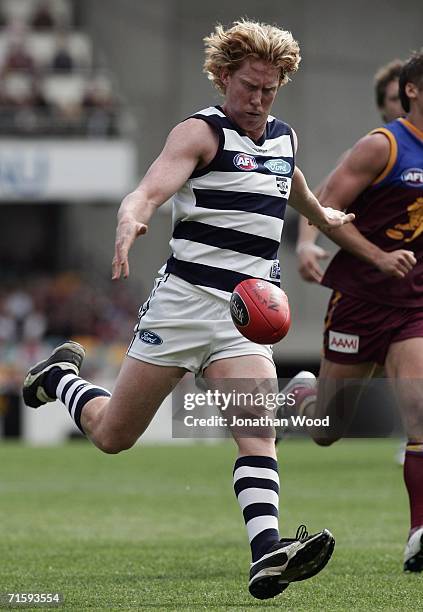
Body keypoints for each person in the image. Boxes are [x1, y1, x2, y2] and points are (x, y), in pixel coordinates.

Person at [22, 20, 353, 600]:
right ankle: (61, 378)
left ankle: (266, 552)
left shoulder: (283, 137)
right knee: (112, 436)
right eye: (249, 86)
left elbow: (289, 178)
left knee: (258, 435)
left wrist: (323, 217)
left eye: (270, 90)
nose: (258, 100)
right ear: (224, 76)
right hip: (179, 308)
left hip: (245, 316)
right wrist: (131, 216)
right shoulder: (201, 133)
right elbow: (149, 189)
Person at [286, 51, 423, 573]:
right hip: (360, 301)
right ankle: (301, 394)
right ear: (411, 90)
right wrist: (378, 256)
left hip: (412, 303)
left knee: (419, 417)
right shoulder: (382, 148)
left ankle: (418, 533)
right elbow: (322, 209)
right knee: (327, 428)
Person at [296, 59, 404, 283]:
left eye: (406, 97)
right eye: (394, 99)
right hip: (365, 285)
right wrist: (305, 245)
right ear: (382, 108)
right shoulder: (373, 151)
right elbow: (316, 202)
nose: (402, 105)